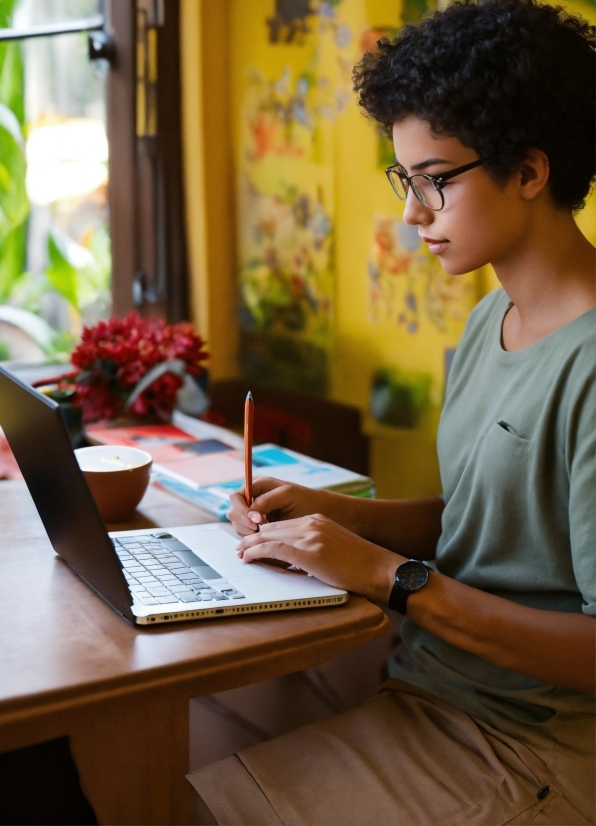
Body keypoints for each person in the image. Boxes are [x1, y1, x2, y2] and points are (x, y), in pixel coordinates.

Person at [187, 1, 596, 822]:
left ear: (529, 170)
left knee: (192, 803)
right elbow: (493, 523)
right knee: (164, 728)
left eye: (435, 181)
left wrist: (387, 576)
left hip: (530, 743)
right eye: (404, 181)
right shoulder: (493, 318)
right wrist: (334, 517)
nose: (412, 213)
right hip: (426, 674)